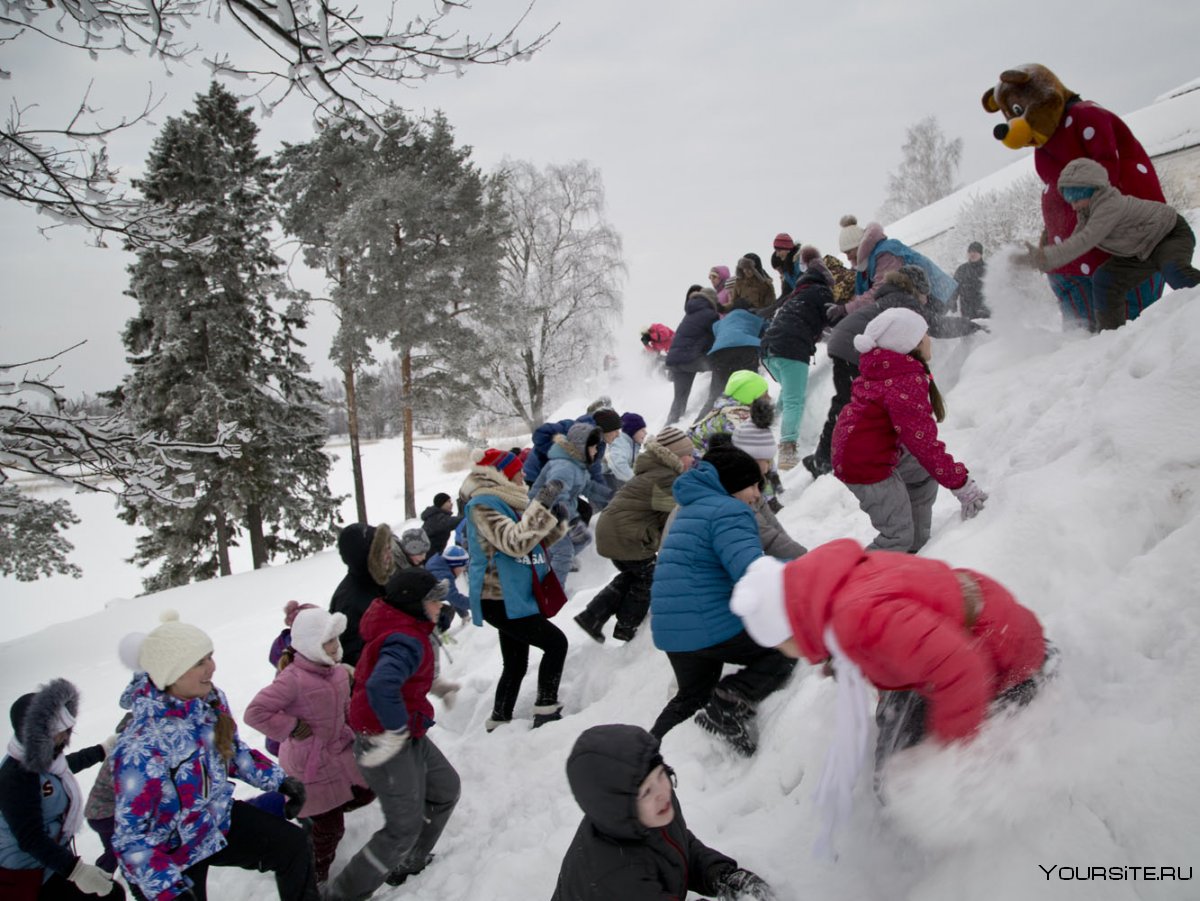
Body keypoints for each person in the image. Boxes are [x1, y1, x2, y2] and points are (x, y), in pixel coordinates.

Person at [730, 540, 1051, 851]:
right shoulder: (834, 590)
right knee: (895, 753)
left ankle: (965, 849)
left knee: (901, 784)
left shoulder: (853, 620)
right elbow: (900, 641)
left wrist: (947, 752)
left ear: (788, 630)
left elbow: (962, 669)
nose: (785, 653)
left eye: (778, 645)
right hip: (981, 625)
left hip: (1006, 654)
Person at [111, 612, 315, 901]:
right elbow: (130, 840)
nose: (212, 667)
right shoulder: (141, 747)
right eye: (199, 662)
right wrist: (169, 891)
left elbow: (230, 750)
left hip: (214, 820)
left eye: (210, 656)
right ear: (170, 674)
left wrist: (280, 781)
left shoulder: (208, 701)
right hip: (168, 852)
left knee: (292, 846)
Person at [648, 446, 795, 755]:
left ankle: (647, 750)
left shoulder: (690, 509)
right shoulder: (730, 511)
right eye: (753, 485)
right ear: (733, 485)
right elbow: (752, 571)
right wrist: (802, 576)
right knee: (784, 647)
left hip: (672, 631)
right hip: (706, 623)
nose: (757, 494)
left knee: (691, 697)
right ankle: (731, 699)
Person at [325, 569, 460, 898]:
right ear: (414, 604)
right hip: (384, 740)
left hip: (407, 733)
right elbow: (382, 684)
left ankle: (408, 861)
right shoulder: (404, 638)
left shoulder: (408, 628)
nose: (440, 604)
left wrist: (437, 688)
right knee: (402, 827)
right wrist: (396, 730)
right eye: (433, 599)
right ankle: (342, 895)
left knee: (445, 789)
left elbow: (404, 678)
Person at [551, 724, 775, 901]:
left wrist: (720, 875)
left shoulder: (651, 809)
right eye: (646, 790)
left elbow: (676, 844)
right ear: (619, 809)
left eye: (660, 774)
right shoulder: (616, 874)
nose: (661, 792)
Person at [833, 308, 987, 553]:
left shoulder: (888, 371)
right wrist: (962, 485)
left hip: (869, 448)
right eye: (925, 335)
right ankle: (860, 581)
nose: (929, 339)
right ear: (911, 344)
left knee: (922, 476)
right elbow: (924, 445)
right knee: (896, 537)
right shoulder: (902, 381)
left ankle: (915, 550)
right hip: (864, 463)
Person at [245, 608, 374, 887]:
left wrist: (356, 730)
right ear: (309, 645)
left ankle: (311, 815)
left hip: (339, 752)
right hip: (310, 764)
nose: (335, 646)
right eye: (328, 641)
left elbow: (345, 709)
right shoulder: (293, 678)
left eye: (336, 640)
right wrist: (291, 726)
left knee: (367, 792)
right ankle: (314, 877)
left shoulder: (338, 673)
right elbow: (254, 713)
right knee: (330, 829)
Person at [1016, 158, 1200, 330]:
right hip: (1140, 250)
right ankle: (1111, 336)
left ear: (1091, 190)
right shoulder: (1086, 213)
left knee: (1174, 271)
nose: (1073, 206)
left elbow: (1085, 240)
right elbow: (1073, 243)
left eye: (1076, 197)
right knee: (1105, 280)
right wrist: (1037, 259)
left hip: (1169, 234)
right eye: (1069, 199)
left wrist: (1044, 258)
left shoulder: (1109, 205)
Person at [461, 448, 571, 731]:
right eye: (518, 471)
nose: (523, 476)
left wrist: (557, 522)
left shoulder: (506, 501)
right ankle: (546, 709)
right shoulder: (482, 505)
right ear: (504, 475)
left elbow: (531, 542)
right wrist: (540, 506)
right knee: (556, 644)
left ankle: (499, 719)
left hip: (513, 594)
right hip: (498, 597)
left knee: (515, 663)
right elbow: (514, 543)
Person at [0, 679, 124, 900]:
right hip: (28, 874)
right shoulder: (15, 778)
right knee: (110, 895)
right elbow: (30, 838)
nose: (66, 736)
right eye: (59, 731)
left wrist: (102, 749)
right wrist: (77, 872)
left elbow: (64, 767)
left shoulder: (38, 758)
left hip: (51, 862)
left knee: (111, 894)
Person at [574, 427, 697, 644]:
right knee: (650, 576)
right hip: (626, 535)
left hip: (613, 531)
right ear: (676, 456)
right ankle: (627, 626)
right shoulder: (666, 476)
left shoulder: (657, 470)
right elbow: (670, 517)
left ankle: (592, 616)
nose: (693, 459)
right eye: (689, 454)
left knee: (635, 575)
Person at [760, 261, 832, 470]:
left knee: (789, 392)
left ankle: (769, 424)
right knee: (795, 400)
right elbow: (833, 319)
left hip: (768, 349)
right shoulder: (821, 292)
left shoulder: (796, 296)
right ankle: (787, 452)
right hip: (791, 349)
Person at [528, 422, 605, 587]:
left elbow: (589, 487)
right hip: (543, 512)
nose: (596, 451)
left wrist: (611, 496)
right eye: (593, 447)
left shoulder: (577, 466)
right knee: (564, 552)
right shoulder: (564, 467)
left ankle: (545, 564)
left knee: (583, 539)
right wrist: (571, 520)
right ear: (582, 447)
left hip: (557, 512)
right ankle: (552, 593)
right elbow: (552, 497)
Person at [837, 214, 957, 314]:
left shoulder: (885, 253)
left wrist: (848, 308)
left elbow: (881, 288)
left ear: (859, 247)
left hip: (936, 294)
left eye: (849, 252)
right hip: (922, 298)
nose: (847, 257)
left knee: (938, 333)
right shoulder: (866, 264)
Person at [728, 424, 807, 560]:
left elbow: (775, 530)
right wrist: (806, 560)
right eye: (767, 460)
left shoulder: (751, 486)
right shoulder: (736, 493)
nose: (769, 466)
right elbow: (770, 540)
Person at [329, 522, 394, 667]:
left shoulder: (380, 582)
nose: (390, 554)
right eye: (384, 550)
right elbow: (351, 658)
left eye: (389, 547)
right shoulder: (351, 601)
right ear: (368, 558)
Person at [664, 286, 719, 425]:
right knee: (721, 365)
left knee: (679, 398)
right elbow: (715, 339)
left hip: (675, 360)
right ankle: (715, 396)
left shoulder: (689, 313)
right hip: (691, 359)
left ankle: (667, 430)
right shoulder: (710, 315)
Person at [425, 544, 471, 621]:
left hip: (430, 597)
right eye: (462, 567)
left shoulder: (440, 563)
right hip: (420, 604)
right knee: (445, 617)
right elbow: (455, 598)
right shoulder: (443, 576)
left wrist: (464, 614)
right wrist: (479, 605)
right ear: (455, 565)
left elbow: (450, 594)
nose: (463, 570)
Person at [603, 413, 647, 489]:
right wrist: (639, 482)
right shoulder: (620, 442)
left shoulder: (632, 445)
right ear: (633, 431)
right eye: (642, 430)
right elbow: (618, 465)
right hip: (604, 488)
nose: (646, 432)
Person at [951, 241, 990, 319]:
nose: (972, 254)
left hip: (985, 309)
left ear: (981, 254)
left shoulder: (988, 269)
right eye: (970, 252)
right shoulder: (962, 269)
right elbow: (954, 287)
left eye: (975, 252)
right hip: (967, 310)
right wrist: (952, 302)